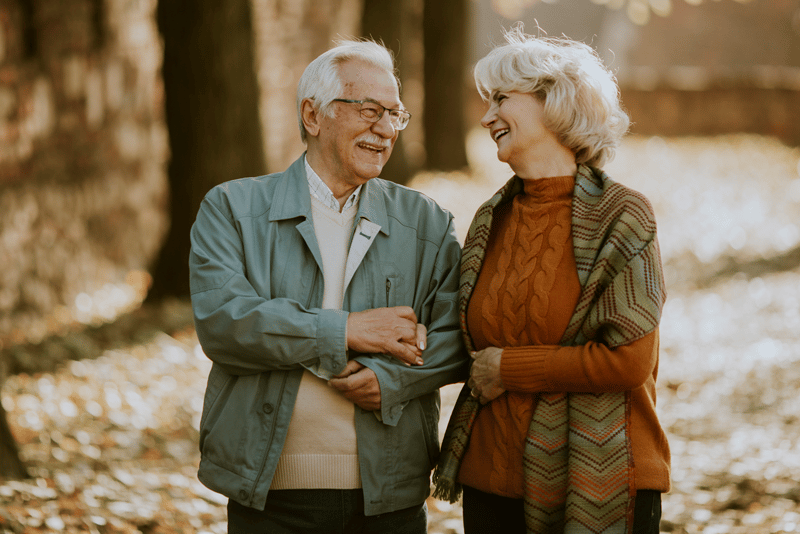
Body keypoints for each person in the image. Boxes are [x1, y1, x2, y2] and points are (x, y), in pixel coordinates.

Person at [189, 38, 466, 533]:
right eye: (368, 110)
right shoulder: (231, 208)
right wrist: (346, 331)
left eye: (394, 115)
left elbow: (461, 334)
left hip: (389, 498)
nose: (384, 129)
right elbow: (224, 322)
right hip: (268, 497)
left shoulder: (425, 222)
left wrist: (393, 381)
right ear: (312, 116)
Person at [432, 25, 670, 534]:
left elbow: (629, 361)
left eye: (501, 98)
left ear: (555, 100)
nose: (486, 115)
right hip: (490, 485)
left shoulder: (622, 216)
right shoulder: (488, 219)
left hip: (597, 484)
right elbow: (468, 346)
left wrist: (511, 370)